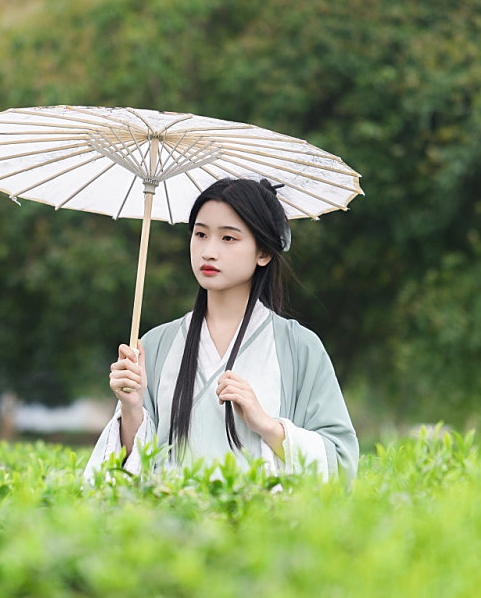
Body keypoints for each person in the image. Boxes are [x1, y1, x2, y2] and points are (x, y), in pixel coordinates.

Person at [84, 177, 358, 482]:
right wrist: (131, 407)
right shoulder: (155, 344)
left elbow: (342, 461)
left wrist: (266, 425)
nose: (208, 251)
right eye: (200, 234)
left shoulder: (300, 348)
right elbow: (125, 473)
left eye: (228, 238)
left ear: (264, 253)